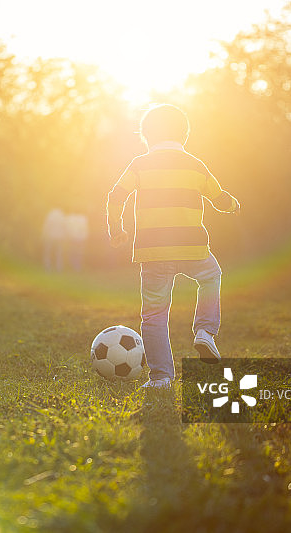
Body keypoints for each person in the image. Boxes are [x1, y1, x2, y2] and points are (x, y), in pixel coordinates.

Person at [106, 104, 240, 389]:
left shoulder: (139, 164)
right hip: (192, 247)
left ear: (145, 135)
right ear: (185, 134)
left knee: (154, 314)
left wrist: (116, 229)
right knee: (211, 275)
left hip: (153, 252)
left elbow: (116, 196)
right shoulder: (195, 164)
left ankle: (161, 377)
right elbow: (218, 198)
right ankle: (205, 331)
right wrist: (232, 205)